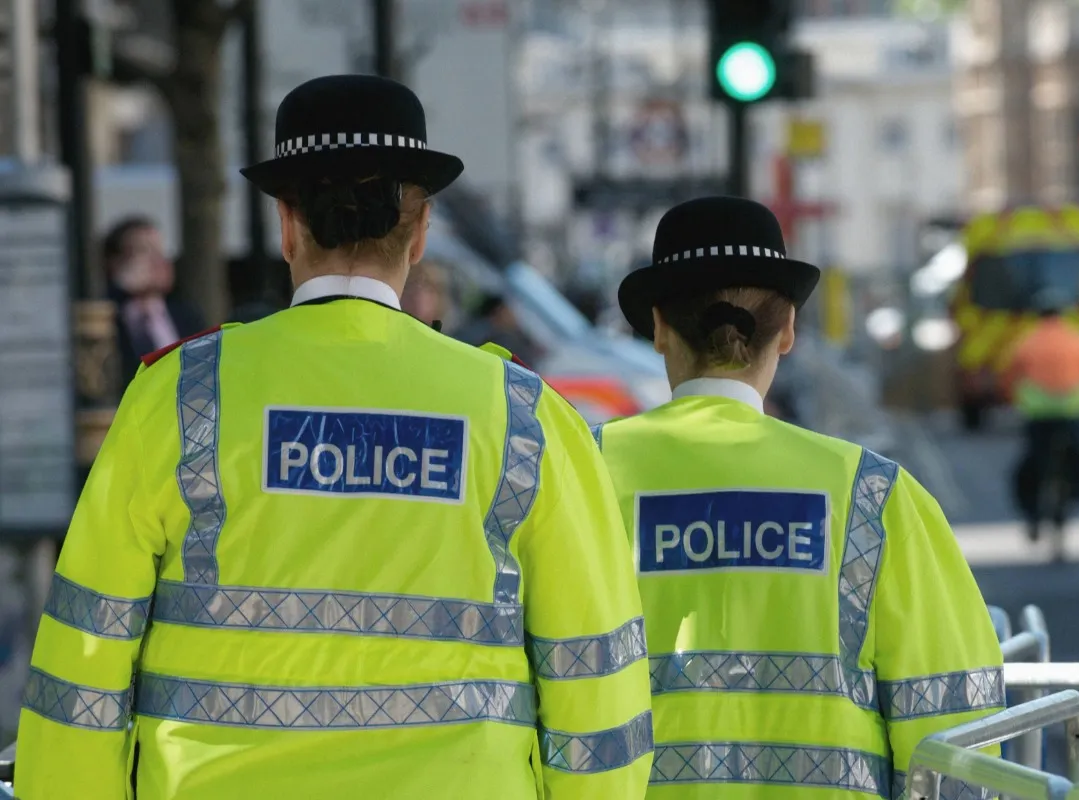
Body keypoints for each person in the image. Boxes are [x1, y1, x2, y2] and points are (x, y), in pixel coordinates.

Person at [16, 75, 652, 800]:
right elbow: (594, 683)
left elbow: (84, 661)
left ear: (287, 225)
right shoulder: (525, 418)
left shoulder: (182, 397)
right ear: (420, 231)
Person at [590, 197, 1004, 799]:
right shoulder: (874, 494)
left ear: (657, 327)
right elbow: (952, 730)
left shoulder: (581, 473)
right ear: (786, 331)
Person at [1004, 287, 1079, 541]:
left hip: (1039, 415)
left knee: (1030, 465)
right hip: (1073, 412)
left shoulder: (1027, 340)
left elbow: (1009, 377)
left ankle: (1032, 514)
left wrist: (1012, 399)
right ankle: (1076, 492)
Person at [103, 216, 208, 391]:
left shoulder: (187, 316)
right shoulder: (107, 315)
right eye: (144, 251)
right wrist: (119, 290)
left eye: (161, 250)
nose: (159, 260)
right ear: (116, 263)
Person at [454, 293, 542, 367]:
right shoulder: (483, 334)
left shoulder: (500, 335)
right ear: (498, 312)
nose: (513, 315)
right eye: (507, 310)